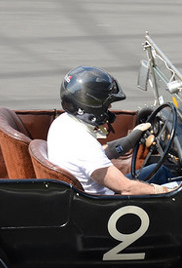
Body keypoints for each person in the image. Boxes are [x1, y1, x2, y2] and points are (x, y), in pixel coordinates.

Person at [47, 66, 174, 196]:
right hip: (104, 204)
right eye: (107, 102)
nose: (110, 106)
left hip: (92, 195)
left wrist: (128, 141)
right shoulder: (84, 145)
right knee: (176, 185)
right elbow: (126, 188)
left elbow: (94, 156)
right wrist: (170, 192)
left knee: (161, 171)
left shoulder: (62, 123)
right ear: (92, 104)